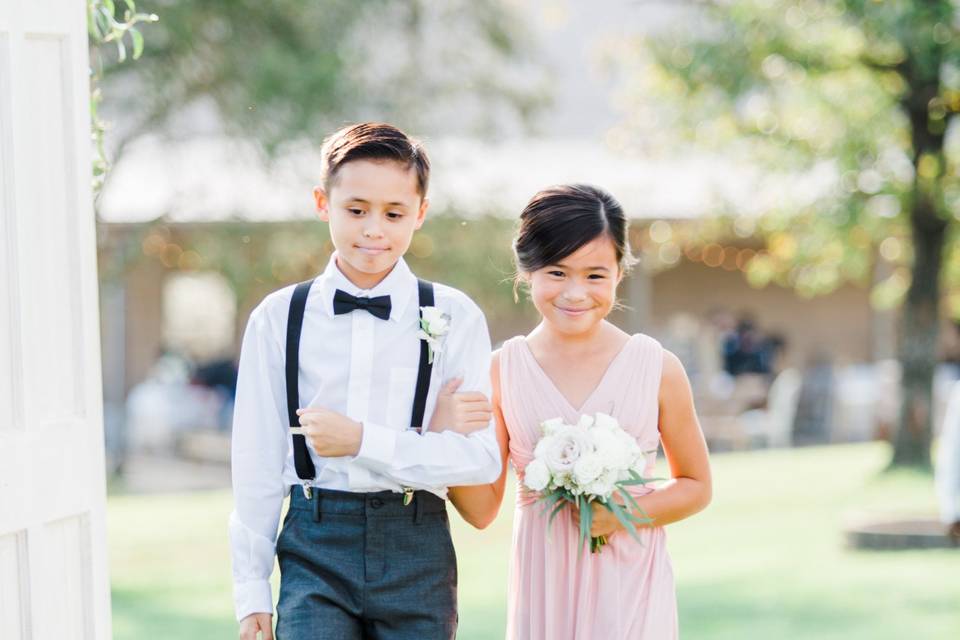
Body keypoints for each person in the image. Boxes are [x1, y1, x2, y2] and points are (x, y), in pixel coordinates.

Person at [230, 122, 502, 640]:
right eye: (356, 210)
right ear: (321, 202)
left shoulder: (454, 316)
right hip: (315, 540)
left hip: (416, 543)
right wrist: (251, 594)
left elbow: (480, 459)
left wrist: (362, 440)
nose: (374, 229)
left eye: (394, 213)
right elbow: (256, 464)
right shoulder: (278, 318)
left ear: (420, 213)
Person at [434, 184, 713, 639]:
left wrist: (623, 512)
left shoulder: (657, 367)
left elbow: (697, 486)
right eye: (557, 273)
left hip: (629, 588)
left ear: (620, 272)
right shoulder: (502, 371)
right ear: (527, 272)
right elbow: (483, 510)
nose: (576, 293)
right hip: (545, 588)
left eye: (595, 275)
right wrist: (443, 438)